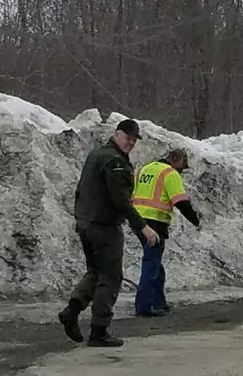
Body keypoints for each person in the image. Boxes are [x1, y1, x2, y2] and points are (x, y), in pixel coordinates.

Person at [57, 119, 160, 347]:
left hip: (86, 222)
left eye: (134, 140)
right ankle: (99, 331)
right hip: (104, 226)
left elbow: (83, 188)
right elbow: (120, 201)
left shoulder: (97, 154)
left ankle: (71, 311)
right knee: (110, 278)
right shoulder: (114, 162)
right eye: (128, 138)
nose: (131, 143)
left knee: (94, 272)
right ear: (117, 134)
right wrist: (142, 226)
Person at [130, 148, 201, 317]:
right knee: (151, 264)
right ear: (176, 160)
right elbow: (181, 202)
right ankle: (144, 306)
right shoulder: (170, 173)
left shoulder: (146, 169)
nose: (183, 169)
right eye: (184, 164)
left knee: (155, 263)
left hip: (138, 221)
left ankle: (158, 302)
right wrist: (196, 220)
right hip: (155, 222)